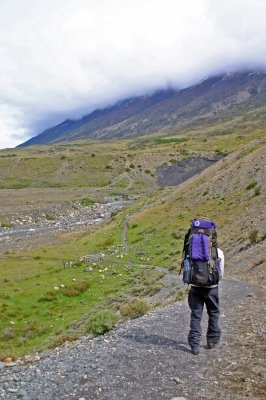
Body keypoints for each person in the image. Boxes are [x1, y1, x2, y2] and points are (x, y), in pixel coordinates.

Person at [187, 247, 224, 355]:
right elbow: (221, 273)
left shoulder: (192, 249)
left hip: (195, 287)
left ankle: (194, 345)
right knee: (213, 313)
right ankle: (212, 341)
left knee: (196, 315)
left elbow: (187, 268)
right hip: (212, 289)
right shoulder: (218, 252)